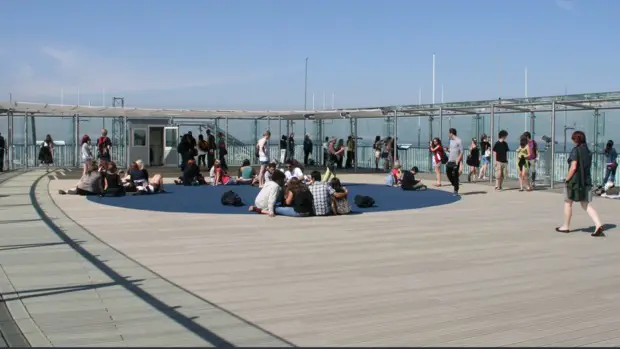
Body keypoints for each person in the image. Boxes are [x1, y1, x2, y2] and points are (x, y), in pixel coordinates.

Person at [556, 130, 604, 237]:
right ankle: (598, 224)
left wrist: (567, 178)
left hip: (575, 182)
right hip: (586, 181)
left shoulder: (575, 151)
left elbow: (573, 167)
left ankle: (565, 226)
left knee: (568, 202)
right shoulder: (588, 151)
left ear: (576, 139)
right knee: (585, 204)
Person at [445, 128, 463, 196]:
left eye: (449, 133)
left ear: (451, 133)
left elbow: (461, 151)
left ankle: (456, 190)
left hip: (456, 161)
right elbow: (451, 149)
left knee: (455, 175)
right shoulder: (450, 140)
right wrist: (447, 149)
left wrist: (458, 160)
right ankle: (455, 184)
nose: (448, 134)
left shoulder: (459, 141)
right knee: (448, 173)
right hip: (450, 160)